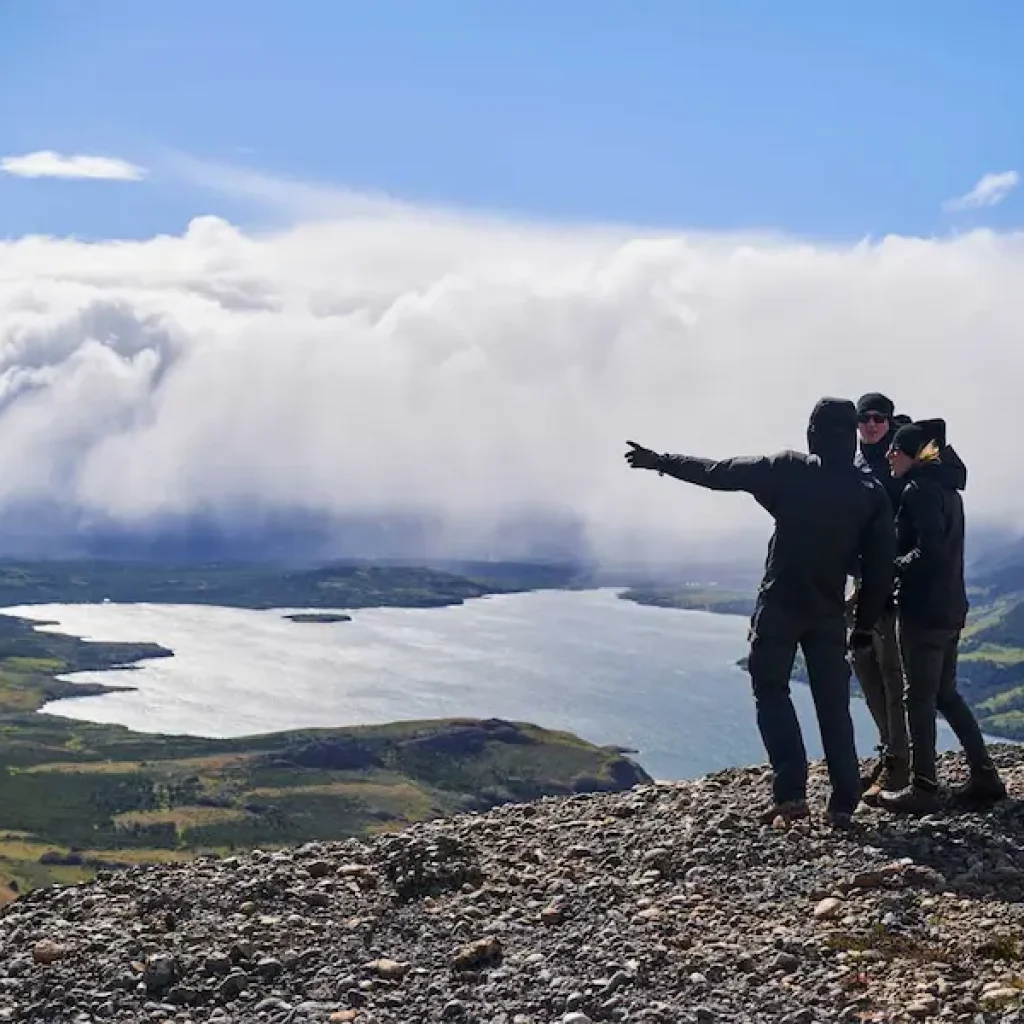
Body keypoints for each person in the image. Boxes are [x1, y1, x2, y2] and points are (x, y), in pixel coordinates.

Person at [625, 398, 895, 826]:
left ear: (813, 431)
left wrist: (661, 461)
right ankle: (844, 800)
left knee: (770, 690)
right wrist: (863, 627)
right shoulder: (869, 492)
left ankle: (791, 794)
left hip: (781, 605)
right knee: (834, 705)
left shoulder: (788, 469)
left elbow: (718, 473)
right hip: (827, 612)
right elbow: (879, 571)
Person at [878, 420, 1007, 814]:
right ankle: (985, 776)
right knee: (946, 694)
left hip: (923, 610)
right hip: (952, 607)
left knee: (917, 697)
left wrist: (892, 566)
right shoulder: (949, 491)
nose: (888, 455)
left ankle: (924, 788)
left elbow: (927, 550)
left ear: (913, 454)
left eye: (895, 450)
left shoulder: (918, 491)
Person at [850, 393, 911, 803]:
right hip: (860, 584)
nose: (871, 424)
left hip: (892, 585)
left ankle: (899, 765)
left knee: (891, 674)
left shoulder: (901, 461)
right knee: (865, 665)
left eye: (878, 418)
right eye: (864, 418)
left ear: (890, 421)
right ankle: (890, 749)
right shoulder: (853, 465)